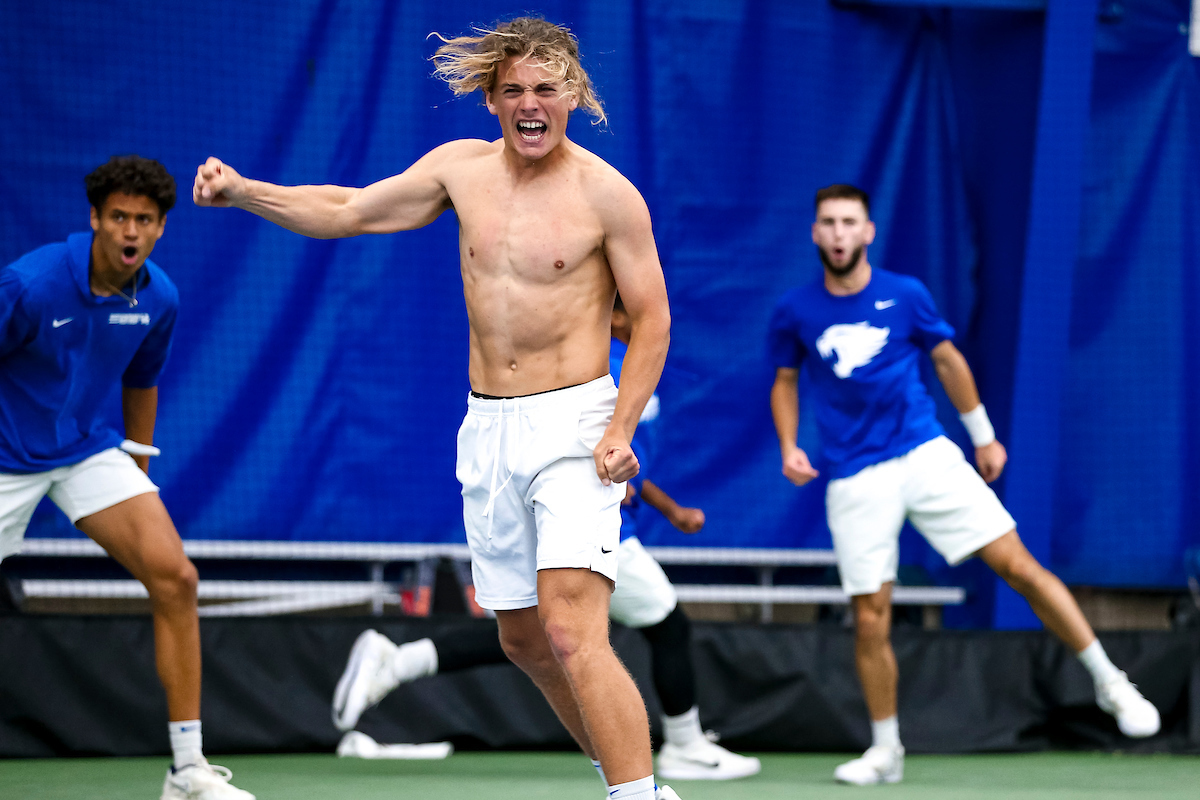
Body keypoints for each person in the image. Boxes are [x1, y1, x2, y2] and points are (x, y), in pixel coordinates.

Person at [193, 18, 676, 800]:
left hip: (576, 427)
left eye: (545, 89)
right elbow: (348, 209)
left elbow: (652, 319)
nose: (529, 103)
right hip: (487, 427)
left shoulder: (609, 195)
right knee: (524, 640)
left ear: (573, 96)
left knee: (569, 627)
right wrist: (246, 192)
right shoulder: (459, 170)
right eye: (513, 90)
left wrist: (620, 429)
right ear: (490, 99)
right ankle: (632, 782)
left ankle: (636, 795)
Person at [767, 184, 1161, 786]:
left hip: (924, 454)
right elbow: (785, 381)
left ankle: (1112, 683)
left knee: (1019, 566)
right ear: (815, 233)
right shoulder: (794, 309)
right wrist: (789, 445)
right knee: (870, 616)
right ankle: (886, 751)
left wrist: (983, 437)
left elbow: (948, 360)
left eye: (849, 222)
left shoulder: (906, 294)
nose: (839, 233)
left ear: (868, 232)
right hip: (855, 477)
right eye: (829, 222)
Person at [332, 298, 761, 782]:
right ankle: (682, 748)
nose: (641, 320)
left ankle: (399, 661)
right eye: (625, 311)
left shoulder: (632, 365)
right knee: (661, 625)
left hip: (606, 518)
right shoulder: (602, 367)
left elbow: (627, 460)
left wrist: (670, 509)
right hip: (595, 522)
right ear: (611, 315)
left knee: (535, 636)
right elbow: (596, 453)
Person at [0, 156, 254, 800]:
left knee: (176, 577)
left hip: (83, 449)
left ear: (162, 227)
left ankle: (188, 771)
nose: (130, 231)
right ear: (94, 219)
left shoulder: (159, 297)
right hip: (6, 454)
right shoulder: (30, 285)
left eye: (144, 219)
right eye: (118, 217)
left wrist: (137, 477)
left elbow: (141, 380)